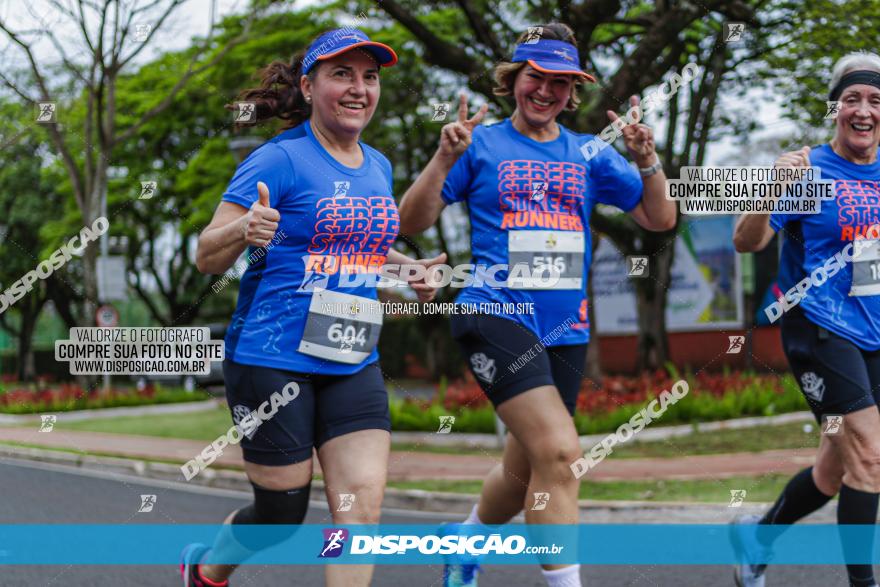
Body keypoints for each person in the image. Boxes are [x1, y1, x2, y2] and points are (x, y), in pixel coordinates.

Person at [397, 22, 675, 587]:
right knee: (562, 452)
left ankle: (465, 541)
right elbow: (409, 221)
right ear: (513, 81)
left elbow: (658, 219)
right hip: (494, 311)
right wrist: (443, 159)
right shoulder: (482, 145)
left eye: (561, 82)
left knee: (527, 470)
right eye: (535, 77)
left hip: (565, 329)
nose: (546, 90)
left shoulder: (590, 154)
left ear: (574, 93)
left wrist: (647, 160)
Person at [184, 28, 443, 587]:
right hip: (271, 359)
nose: (359, 89)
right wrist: (242, 230)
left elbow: (362, 244)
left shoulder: (377, 164)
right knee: (280, 516)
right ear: (308, 86)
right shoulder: (277, 160)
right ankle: (206, 570)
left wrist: (407, 270)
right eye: (342, 75)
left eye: (369, 77)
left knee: (360, 515)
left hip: (351, 358)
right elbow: (207, 253)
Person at [732, 51, 880, 587]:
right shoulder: (808, 170)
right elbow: (746, 242)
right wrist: (770, 185)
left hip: (874, 333)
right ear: (834, 108)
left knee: (834, 470)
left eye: (875, 100)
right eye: (852, 100)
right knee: (870, 456)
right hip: (818, 326)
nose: (863, 111)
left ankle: (758, 537)